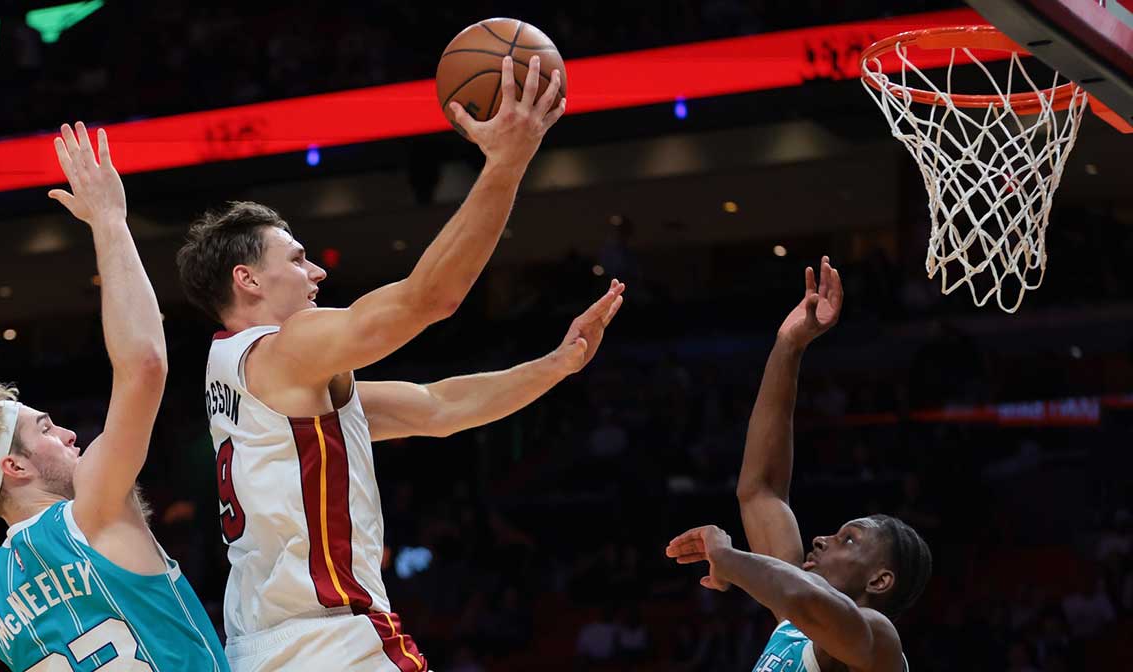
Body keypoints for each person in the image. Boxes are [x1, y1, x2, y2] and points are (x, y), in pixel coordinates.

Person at [176, 57, 609, 671]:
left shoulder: (240, 376)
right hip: (332, 640)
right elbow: (429, 299)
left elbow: (438, 408)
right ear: (247, 279)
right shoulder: (288, 348)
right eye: (297, 259)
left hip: (259, 648)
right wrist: (506, 163)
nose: (317, 272)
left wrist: (557, 365)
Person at [0, 123, 228, 671]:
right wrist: (109, 221)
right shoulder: (93, 507)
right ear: (15, 466)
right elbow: (144, 365)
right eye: (45, 428)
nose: (70, 434)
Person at [666, 257, 931, 672]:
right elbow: (762, 491)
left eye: (848, 540)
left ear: (879, 580)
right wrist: (788, 346)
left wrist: (729, 558)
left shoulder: (879, 641)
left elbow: (801, 596)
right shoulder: (796, 627)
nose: (821, 539)